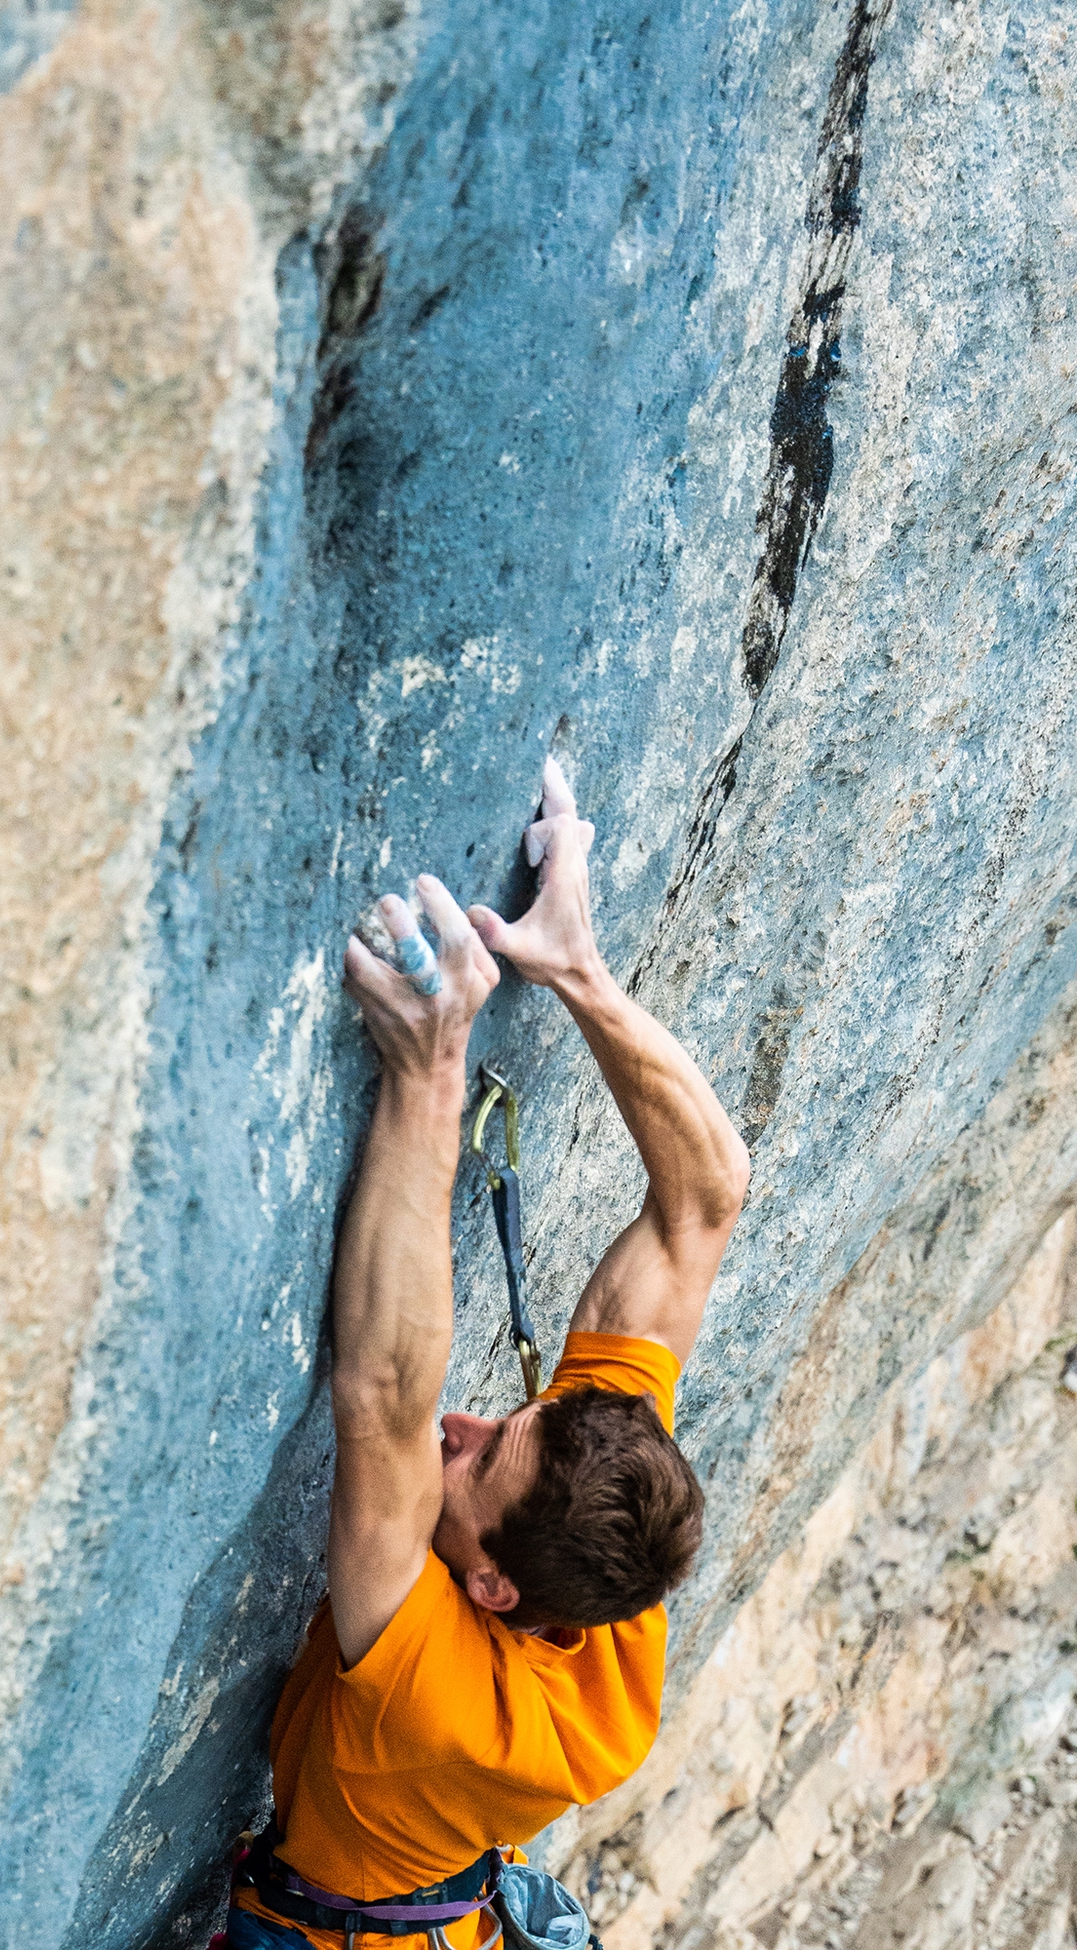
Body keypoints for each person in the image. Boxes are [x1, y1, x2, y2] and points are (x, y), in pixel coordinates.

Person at [230, 759, 750, 1950]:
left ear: (493, 1593)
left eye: (473, 1469)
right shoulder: (605, 1532)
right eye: (507, 1424)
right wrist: (575, 965)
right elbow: (702, 1203)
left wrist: (428, 1068)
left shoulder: (435, 1699)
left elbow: (383, 1398)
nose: (461, 1431)